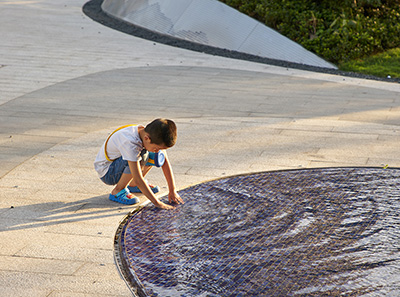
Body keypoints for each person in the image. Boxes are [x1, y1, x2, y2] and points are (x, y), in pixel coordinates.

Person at [94, 118, 184, 210]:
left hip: (118, 163)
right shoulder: (131, 143)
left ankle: (133, 185)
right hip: (108, 172)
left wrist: (172, 190)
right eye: (157, 148)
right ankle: (118, 190)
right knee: (142, 155)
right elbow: (138, 178)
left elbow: (164, 161)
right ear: (147, 138)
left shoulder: (149, 134)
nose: (158, 151)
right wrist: (157, 203)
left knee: (154, 156)